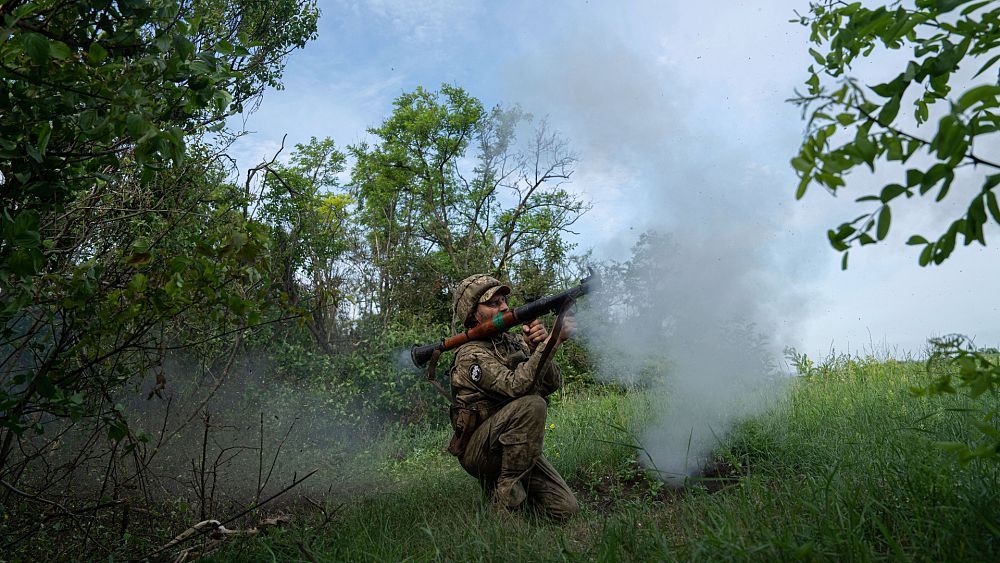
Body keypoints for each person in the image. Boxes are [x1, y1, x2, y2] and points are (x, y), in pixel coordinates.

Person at [446, 273, 579, 521]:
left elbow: (552, 384)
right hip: (481, 450)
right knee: (532, 405)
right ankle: (504, 505)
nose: (504, 306)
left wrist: (536, 347)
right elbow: (515, 387)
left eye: (504, 300)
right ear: (474, 313)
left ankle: (507, 493)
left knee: (564, 509)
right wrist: (554, 340)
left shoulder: (512, 341)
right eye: (493, 303)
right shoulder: (470, 355)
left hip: (515, 443)